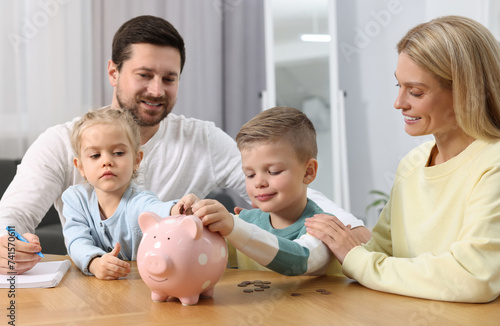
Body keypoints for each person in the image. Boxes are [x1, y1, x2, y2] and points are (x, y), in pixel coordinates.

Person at [0, 15, 368, 275]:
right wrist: (7, 243)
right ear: (113, 72)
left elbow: (280, 188)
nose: (157, 90)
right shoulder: (60, 142)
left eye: (169, 78)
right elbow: (12, 218)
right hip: (99, 283)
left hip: (183, 287)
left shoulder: (201, 138)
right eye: (144, 75)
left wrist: (348, 226)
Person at [305, 16, 500, 303]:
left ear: (464, 91)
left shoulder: (492, 164)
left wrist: (358, 259)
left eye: (416, 91)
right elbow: (379, 251)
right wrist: (265, 235)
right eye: (399, 86)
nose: (399, 102)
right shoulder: (413, 162)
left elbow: (473, 277)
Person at [175, 107, 370, 276]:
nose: (259, 182)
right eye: (249, 175)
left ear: (308, 172)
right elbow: (209, 253)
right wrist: (197, 219)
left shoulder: (323, 227)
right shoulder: (246, 221)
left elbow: (300, 259)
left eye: (273, 171)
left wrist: (233, 226)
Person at [62, 109, 176, 279]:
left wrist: (180, 208)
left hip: (139, 285)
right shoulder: (75, 199)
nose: (107, 161)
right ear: (80, 167)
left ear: (136, 160)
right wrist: (95, 263)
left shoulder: (140, 200)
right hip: (94, 291)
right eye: (95, 155)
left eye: (118, 153)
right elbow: (76, 240)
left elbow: (158, 210)